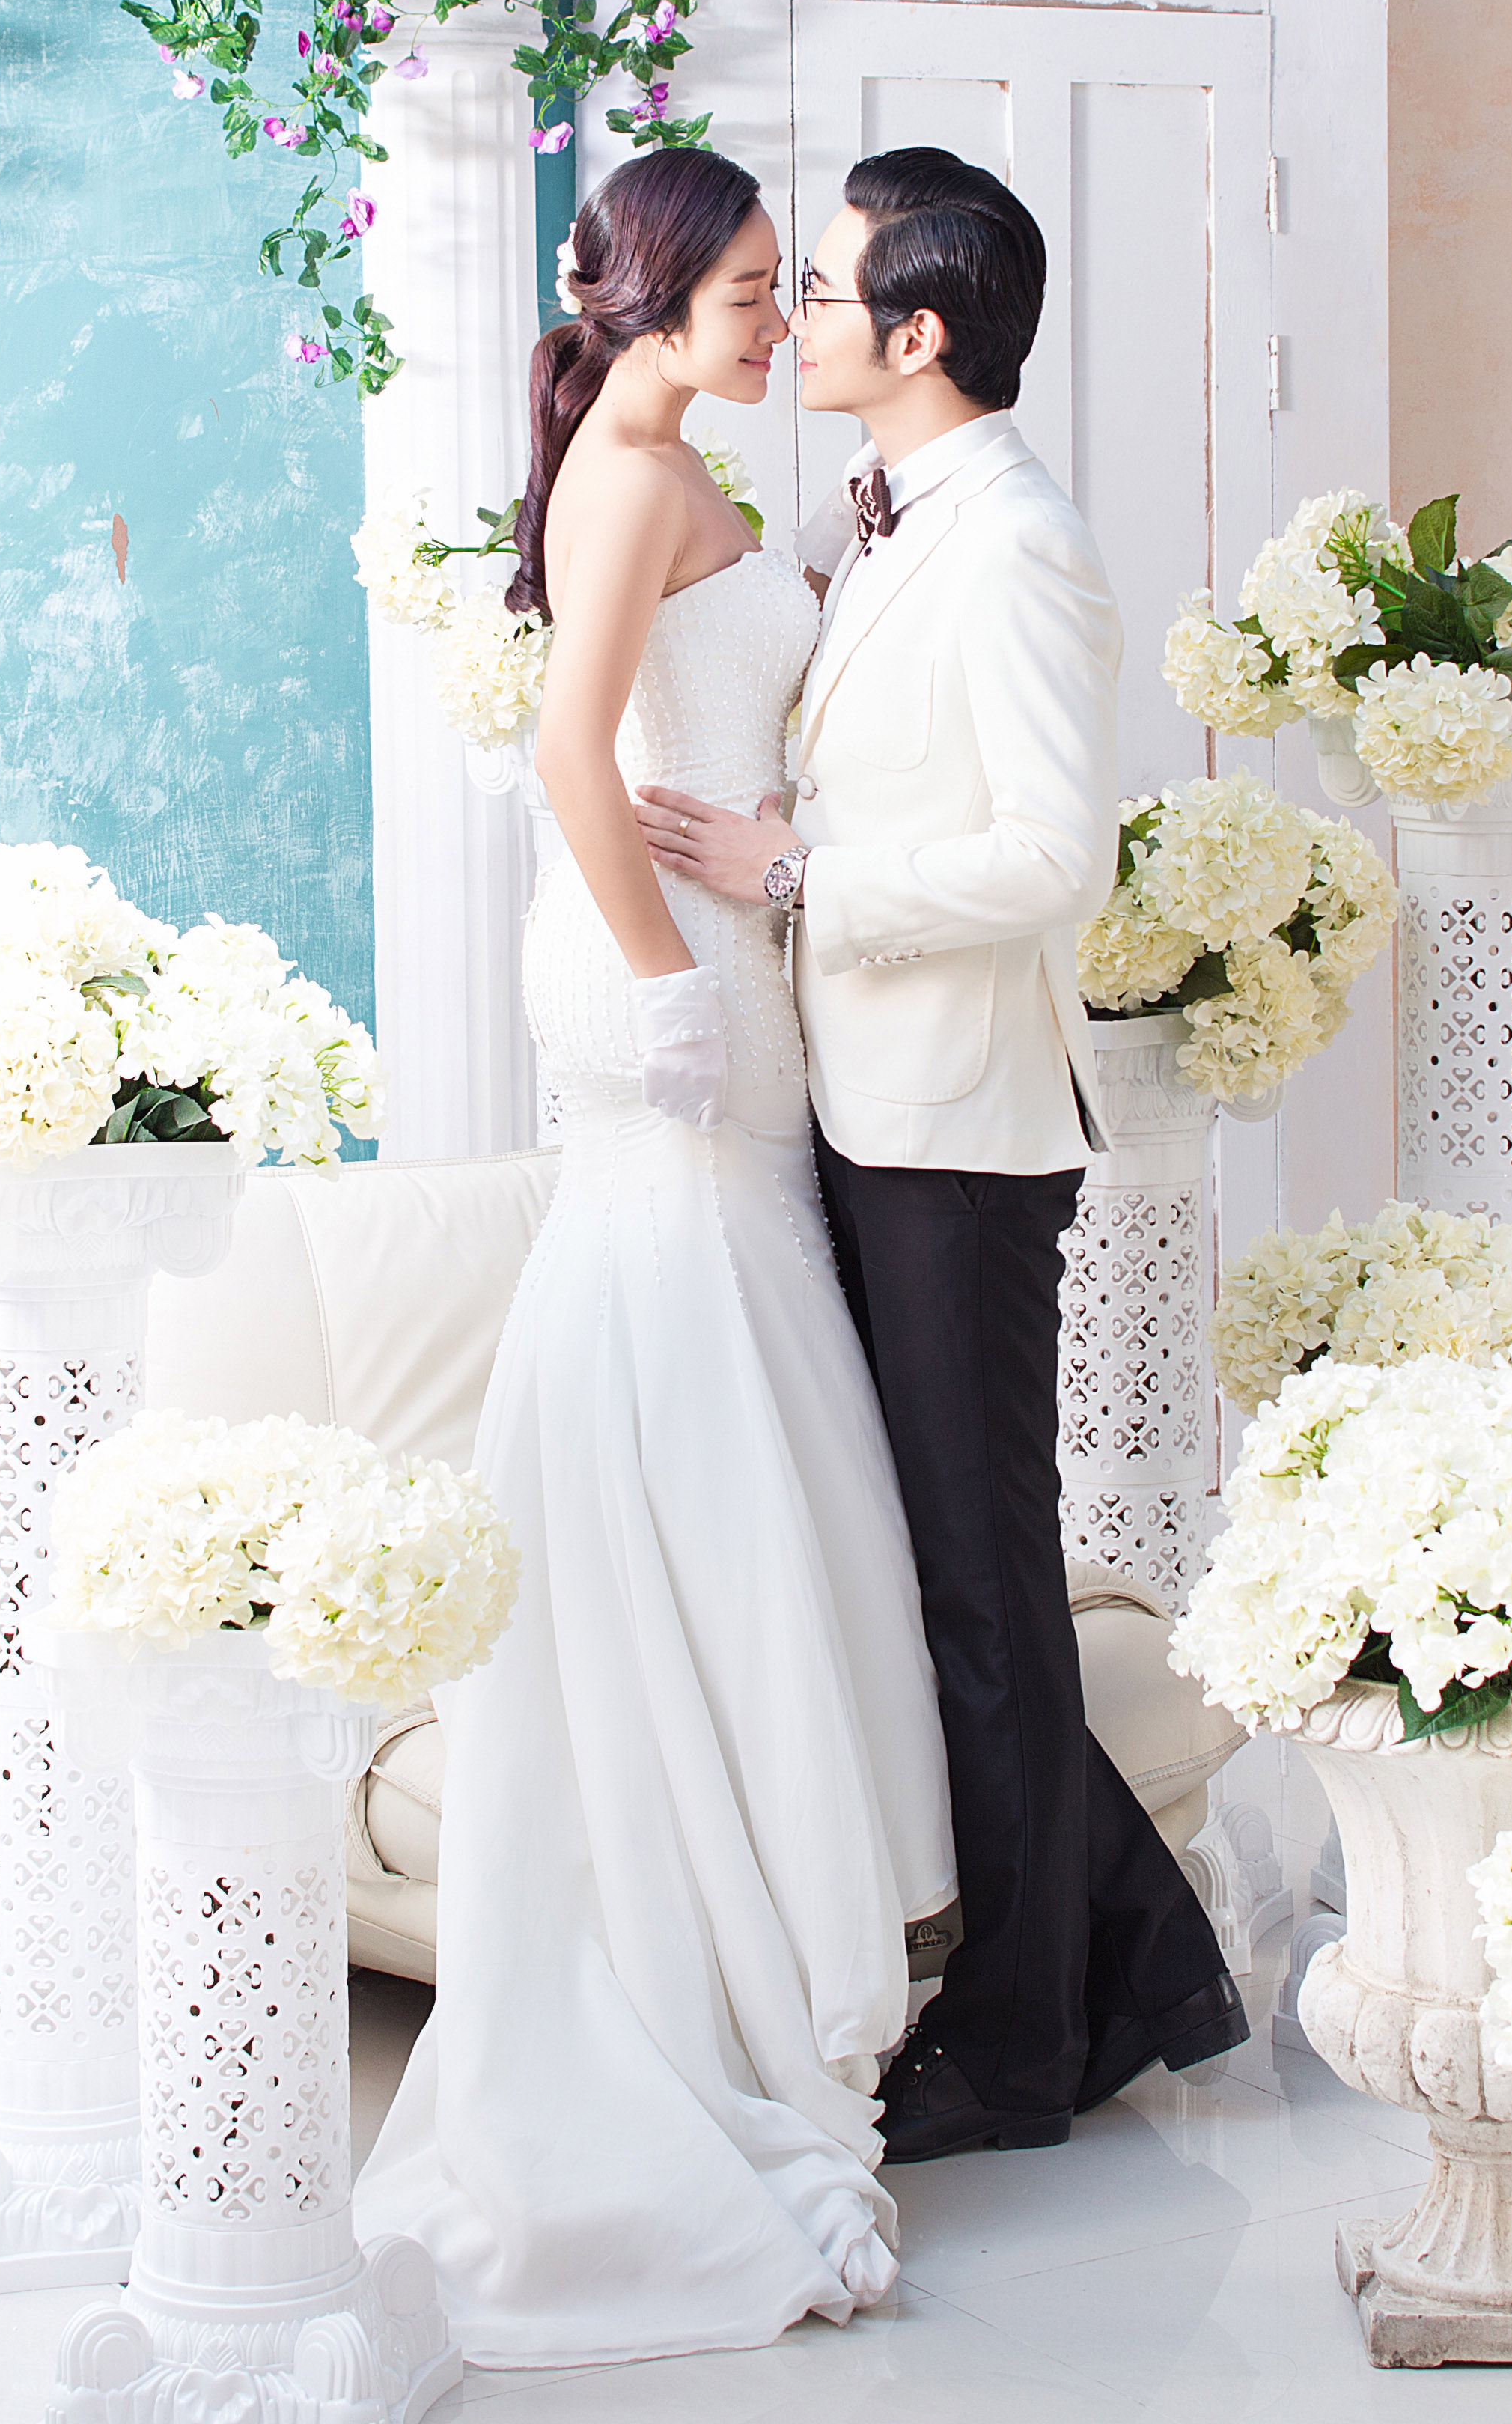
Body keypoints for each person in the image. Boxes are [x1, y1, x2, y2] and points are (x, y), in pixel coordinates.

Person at [352, 147, 955, 2363]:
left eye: (791, 290)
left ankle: (771, 1896)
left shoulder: (681, 461)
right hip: (659, 973)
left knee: (737, 1370)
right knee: (690, 1356)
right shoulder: (623, 477)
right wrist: (668, 979)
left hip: (720, 959)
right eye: (752, 292)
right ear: (655, 302)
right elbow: (566, 759)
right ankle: (696, 1954)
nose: (780, 320)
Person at [639, 147, 1246, 2161]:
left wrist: (795, 873)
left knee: (982, 1587)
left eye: (819, 291)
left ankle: (1019, 2049)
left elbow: (1051, 860)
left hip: (962, 1137)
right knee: (925, 1569)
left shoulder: (1019, 546)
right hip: (861, 1103)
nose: (793, 318)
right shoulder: (894, 513)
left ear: (915, 334)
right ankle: (1129, 1973)